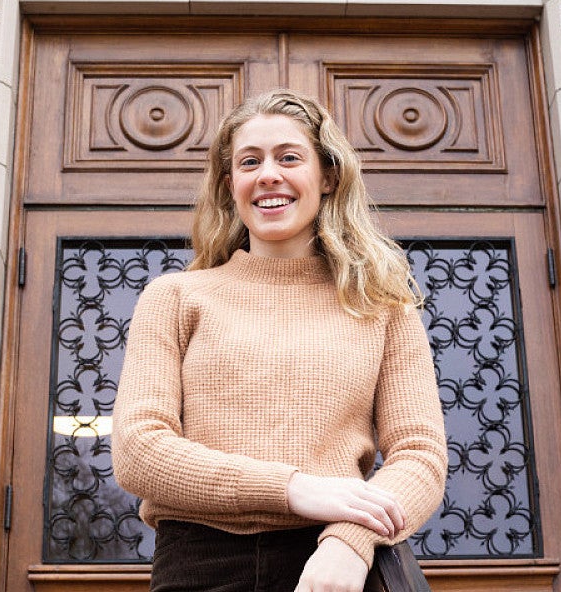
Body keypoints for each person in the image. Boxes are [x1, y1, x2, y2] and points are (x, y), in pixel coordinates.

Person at [112, 89, 447, 592]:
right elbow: (139, 449)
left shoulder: (383, 308)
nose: (268, 174)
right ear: (231, 185)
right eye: (250, 162)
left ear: (328, 176)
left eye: (289, 157)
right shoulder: (176, 297)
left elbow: (419, 456)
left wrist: (350, 542)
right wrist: (293, 488)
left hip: (336, 564)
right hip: (199, 565)